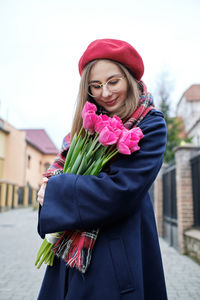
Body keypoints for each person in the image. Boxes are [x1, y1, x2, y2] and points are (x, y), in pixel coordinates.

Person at [37, 39, 168, 300]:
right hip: (67, 259)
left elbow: (119, 191)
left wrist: (55, 191)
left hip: (116, 260)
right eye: (95, 86)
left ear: (129, 78)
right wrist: (47, 189)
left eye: (113, 81)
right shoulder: (86, 127)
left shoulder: (151, 125)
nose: (105, 93)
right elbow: (58, 173)